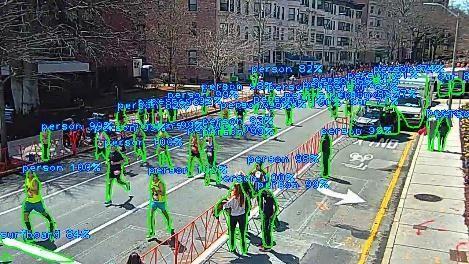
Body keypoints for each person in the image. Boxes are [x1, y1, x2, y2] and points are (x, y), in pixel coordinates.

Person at [215, 183, 251, 255]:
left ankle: (232, 247)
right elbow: (248, 206)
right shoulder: (244, 196)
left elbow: (225, 205)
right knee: (242, 234)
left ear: (234, 190)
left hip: (233, 217)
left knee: (232, 233)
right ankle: (244, 249)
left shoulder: (233, 198)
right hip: (242, 216)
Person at [22, 171, 56, 242]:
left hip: (37, 202)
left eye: (30, 174)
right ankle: (29, 232)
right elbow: (27, 188)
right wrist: (28, 191)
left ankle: (51, 221)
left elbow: (36, 192)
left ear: (32, 174)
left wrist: (30, 190)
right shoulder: (27, 180)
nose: (28, 175)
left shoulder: (35, 181)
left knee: (44, 213)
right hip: (29, 202)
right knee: (25, 216)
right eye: (27, 174)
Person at [147, 174, 175, 240]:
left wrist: (156, 190)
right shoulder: (152, 182)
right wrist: (152, 198)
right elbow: (152, 191)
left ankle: (170, 227)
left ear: (157, 176)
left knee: (165, 214)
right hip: (154, 202)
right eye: (153, 176)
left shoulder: (160, 183)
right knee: (151, 215)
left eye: (155, 176)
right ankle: (152, 231)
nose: (154, 178)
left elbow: (163, 193)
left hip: (161, 202)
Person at [258, 188, 279, 252]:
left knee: (266, 231)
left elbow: (276, 207)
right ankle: (265, 242)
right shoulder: (267, 198)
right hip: (266, 215)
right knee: (264, 229)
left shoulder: (269, 198)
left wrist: (273, 215)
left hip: (268, 216)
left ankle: (267, 246)